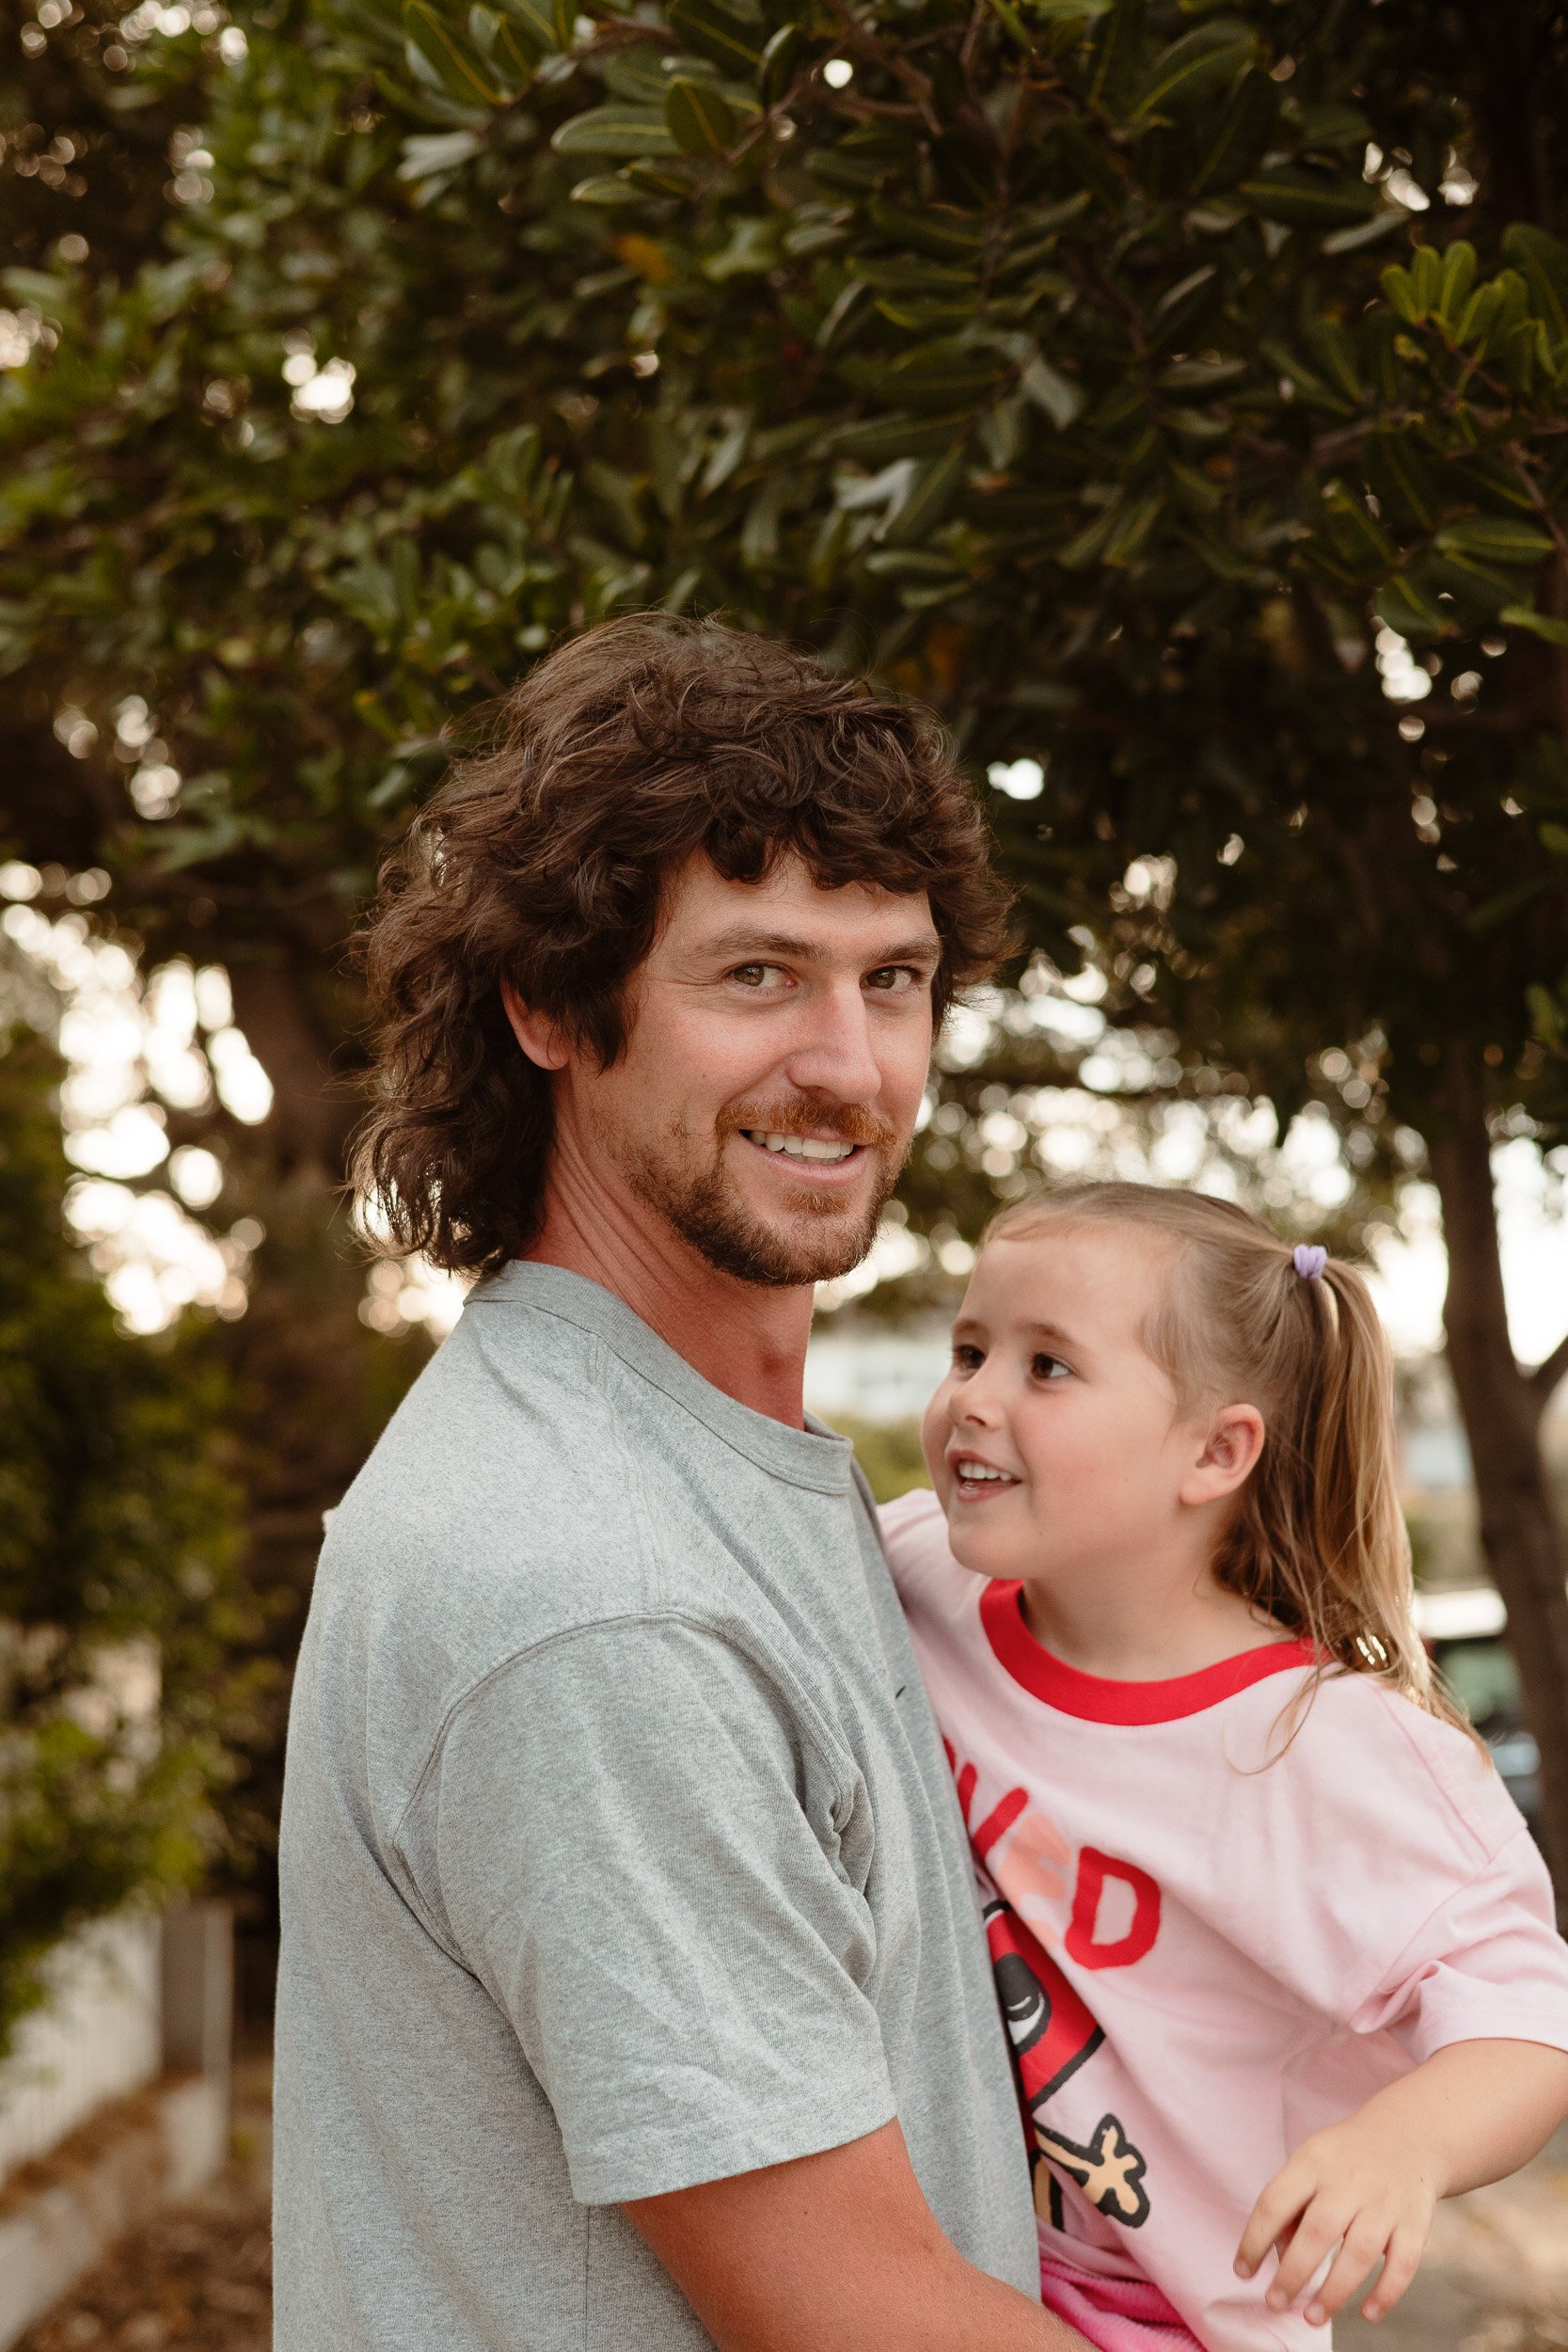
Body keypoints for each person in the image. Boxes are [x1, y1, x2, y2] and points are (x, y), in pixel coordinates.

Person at [271, 614, 1092, 2352]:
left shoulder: (704, 1471)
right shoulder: (592, 1588)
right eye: (756, 976)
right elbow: (862, 2320)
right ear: (555, 1010)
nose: (852, 1068)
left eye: (895, 977)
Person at [881, 1181, 1568, 2352]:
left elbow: (1527, 2017)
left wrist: (1402, 2142)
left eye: (1046, 1367)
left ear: (1215, 1450)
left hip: (1175, 2322)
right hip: (935, 2263)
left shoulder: (1328, 1747)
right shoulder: (912, 1571)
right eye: (968, 1347)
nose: (971, 1400)